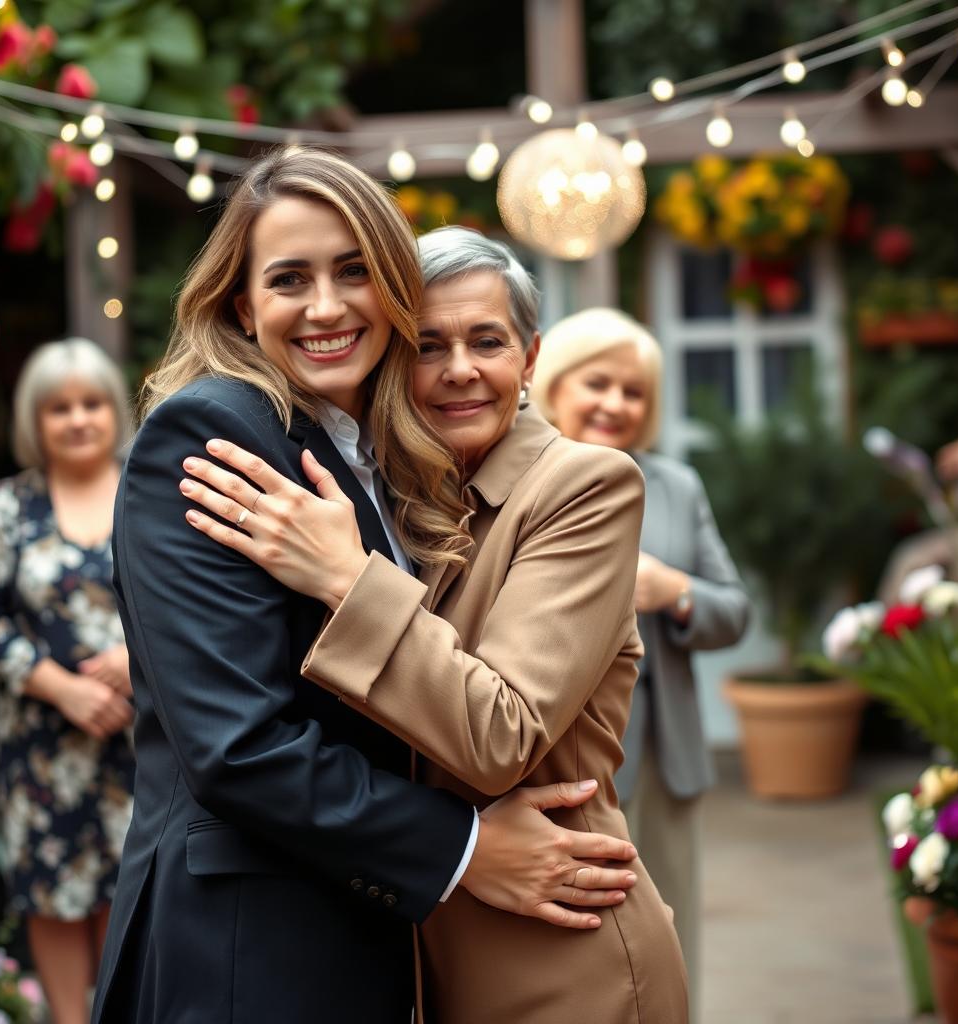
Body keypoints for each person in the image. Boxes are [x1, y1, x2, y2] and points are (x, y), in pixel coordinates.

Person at [92, 148, 639, 1024]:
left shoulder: (376, 456)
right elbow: (238, 745)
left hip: (367, 934)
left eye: (353, 272)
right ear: (243, 304)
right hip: (250, 950)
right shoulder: (214, 434)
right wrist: (463, 848)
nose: (325, 306)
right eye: (289, 279)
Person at [530, 307, 750, 1014]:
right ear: (555, 382)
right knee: (578, 949)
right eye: (599, 383)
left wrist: (675, 591)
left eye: (634, 393)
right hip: (559, 761)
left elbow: (734, 611)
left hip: (665, 754)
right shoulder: (524, 474)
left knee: (672, 935)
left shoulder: (677, 486)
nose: (616, 404)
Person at [0, 338, 135, 1024]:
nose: (78, 419)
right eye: (59, 408)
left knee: (133, 886)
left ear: (113, 411)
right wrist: (60, 688)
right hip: (41, 744)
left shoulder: (149, 489)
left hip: (141, 736)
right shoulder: (7, 506)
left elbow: (194, 601)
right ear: (35, 420)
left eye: (91, 403)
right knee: (54, 896)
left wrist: (138, 667)